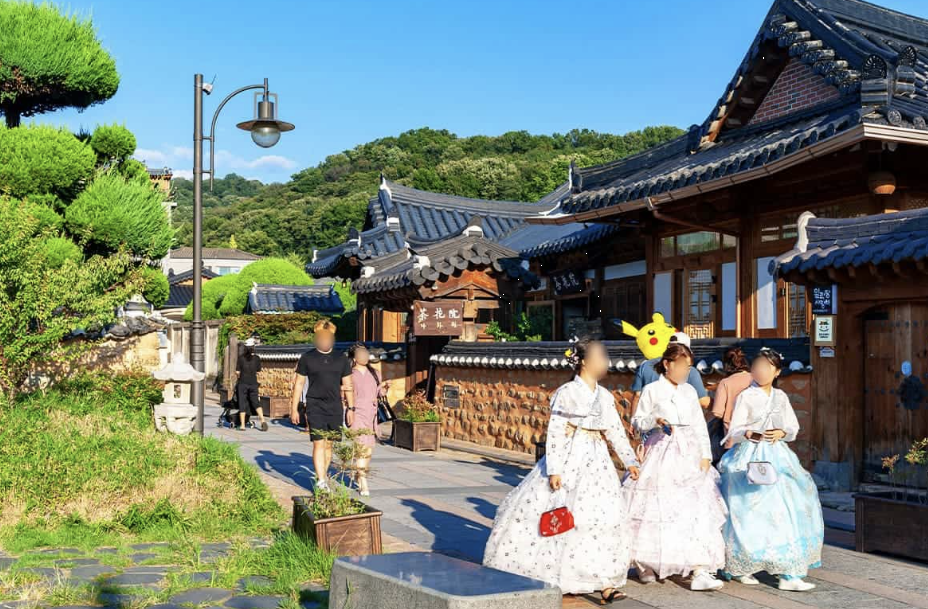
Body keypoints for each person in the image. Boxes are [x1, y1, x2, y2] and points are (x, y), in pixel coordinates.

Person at [483, 338, 640, 604]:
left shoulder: (604, 396)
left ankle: (605, 581)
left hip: (597, 460)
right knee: (563, 515)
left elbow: (614, 430)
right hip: (570, 456)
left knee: (601, 517)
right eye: (599, 357)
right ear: (584, 362)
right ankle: (561, 574)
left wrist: (629, 460)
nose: (605, 362)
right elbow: (555, 431)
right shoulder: (567, 392)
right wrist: (555, 469)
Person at [718, 348, 823, 591]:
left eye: (767, 367)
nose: (761, 371)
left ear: (776, 372)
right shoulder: (746, 396)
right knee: (747, 510)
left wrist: (781, 432)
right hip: (749, 457)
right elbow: (734, 430)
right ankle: (741, 567)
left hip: (777, 456)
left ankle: (788, 573)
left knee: (785, 510)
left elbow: (792, 428)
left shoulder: (781, 397)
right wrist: (748, 433)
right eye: (758, 366)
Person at [625, 342, 727, 592]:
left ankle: (699, 568)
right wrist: (655, 421)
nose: (684, 371)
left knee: (694, 509)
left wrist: (705, 454)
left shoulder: (689, 391)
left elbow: (699, 424)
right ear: (667, 364)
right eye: (681, 366)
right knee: (655, 508)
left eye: (688, 367)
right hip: (661, 449)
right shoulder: (652, 390)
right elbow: (638, 421)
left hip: (689, 452)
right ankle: (646, 562)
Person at [290, 320, 354, 492]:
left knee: (329, 444)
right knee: (319, 442)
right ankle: (320, 480)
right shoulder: (307, 358)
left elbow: (348, 384)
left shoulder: (341, 358)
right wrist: (294, 408)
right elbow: (298, 384)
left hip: (335, 406)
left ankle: (323, 476)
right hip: (315, 405)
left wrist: (351, 408)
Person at [346, 343, 390, 497]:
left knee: (369, 449)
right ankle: (363, 481)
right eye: (361, 354)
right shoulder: (349, 374)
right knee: (361, 447)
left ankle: (359, 474)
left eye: (366, 353)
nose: (365, 356)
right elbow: (344, 394)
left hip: (372, 414)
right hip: (357, 413)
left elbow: (379, 393)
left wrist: (385, 387)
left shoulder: (375, 373)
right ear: (354, 358)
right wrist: (349, 410)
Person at [708, 347, 753, 460]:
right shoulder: (756, 379)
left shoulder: (725, 382)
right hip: (754, 436)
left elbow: (717, 412)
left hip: (733, 438)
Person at [236, 338, 268, 432]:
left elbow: (237, 372)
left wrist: (240, 376)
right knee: (256, 402)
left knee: (242, 403)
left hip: (242, 383)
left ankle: (242, 425)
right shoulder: (257, 358)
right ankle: (263, 420)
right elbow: (258, 371)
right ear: (253, 347)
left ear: (245, 348)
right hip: (253, 383)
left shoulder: (241, 358)